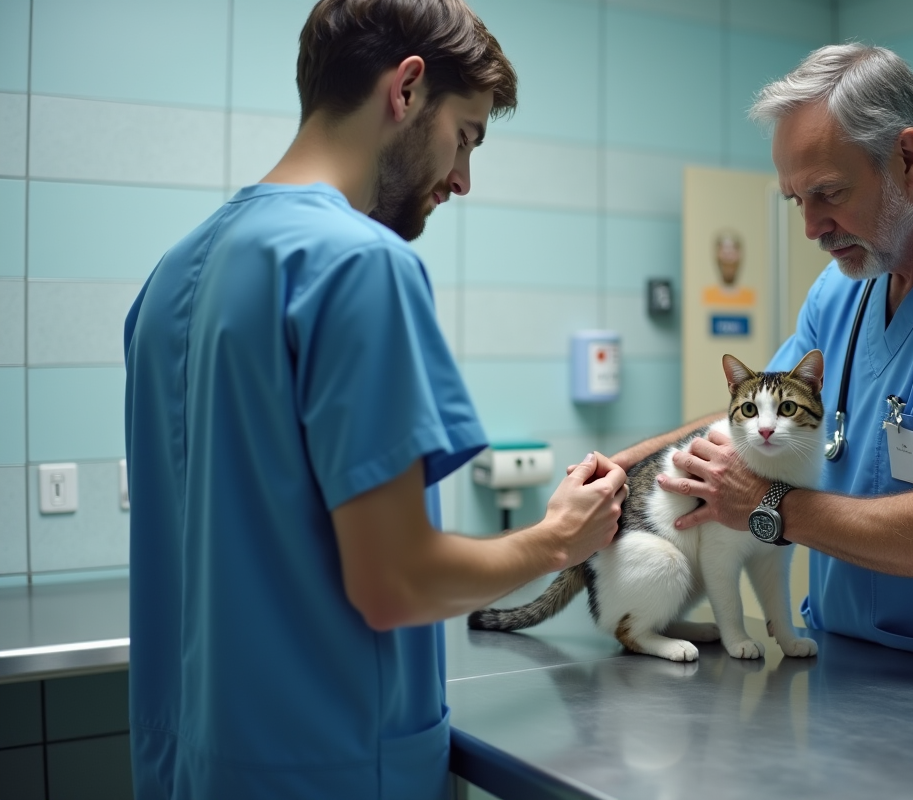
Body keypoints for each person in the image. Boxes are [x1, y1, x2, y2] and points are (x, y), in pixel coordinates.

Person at [123, 1, 627, 797]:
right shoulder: (360, 265)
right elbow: (396, 583)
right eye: (465, 137)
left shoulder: (172, 276)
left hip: (193, 770)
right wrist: (557, 538)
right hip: (330, 769)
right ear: (407, 89)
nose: (462, 179)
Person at [615, 44, 913, 695]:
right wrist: (620, 469)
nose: (814, 226)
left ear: (907, 159)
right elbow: (750, 416)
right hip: (844, 672)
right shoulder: (845, 286)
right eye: (797, 201)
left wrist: (769, 503)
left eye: (829, 194)